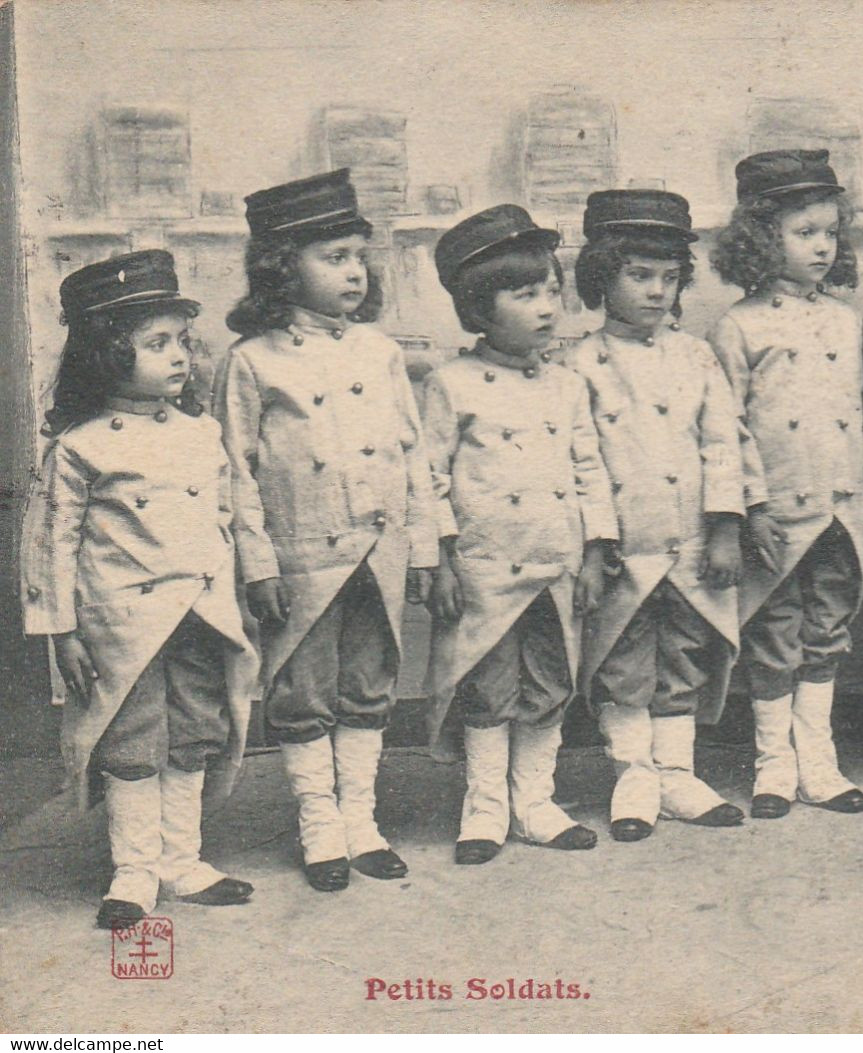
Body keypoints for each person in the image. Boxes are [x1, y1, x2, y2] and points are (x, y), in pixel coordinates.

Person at [215, 169, 438, 891]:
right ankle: (319, 822)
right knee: (303, 691)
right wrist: (258, 565)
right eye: (332, 257)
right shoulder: (251, 361)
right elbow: (234, 473)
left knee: (369, 683)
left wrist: (425, 545)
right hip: (302, 556)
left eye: (356, 256)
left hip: (378, 547)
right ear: (283, 268)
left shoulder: (378, 351)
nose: (352, 271)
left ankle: (362, 819)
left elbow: (411, 452)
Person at [22, 250, 256, 928]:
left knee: (192, 731)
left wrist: (229, 595)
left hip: (197, 614)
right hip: (122, 623)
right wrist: (59, 631)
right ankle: (133, 870)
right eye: (157, 343)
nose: (179, 356)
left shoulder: (202, 434)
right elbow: (51, 544)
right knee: (131, 739)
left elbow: (223, 519)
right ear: (105, 353)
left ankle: (181, 861)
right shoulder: (81, 446)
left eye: (182, 341)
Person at [422, 205, 616, 864]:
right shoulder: (450, 384)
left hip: (554, 566)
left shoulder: (566, 385)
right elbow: (430, 480)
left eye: (550, 292)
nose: (545, 307)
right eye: (523, 293)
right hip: (487, 569)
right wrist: (440, 560)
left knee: (547, 683)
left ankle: (535, 800)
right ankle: (484, 804)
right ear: (479, 306)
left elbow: (590, 471)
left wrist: (595, 549)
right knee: (488, 687)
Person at [569, 188, 748, 841]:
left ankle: (676, 771)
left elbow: (723, 443)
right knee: (623, 660)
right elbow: (578, 460)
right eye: (638, 276)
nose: (656, 292)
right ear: (600, 277)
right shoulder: (579, 365)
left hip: (692, 543)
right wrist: (595, 543)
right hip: (625, 546)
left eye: (669, 279)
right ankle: (633, 773)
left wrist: (725, 525)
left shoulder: (696, 356)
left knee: (684, 655)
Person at [708, 149, 863, 818]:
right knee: (775, 630)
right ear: (759, 237)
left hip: (839, 505)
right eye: (803, 232)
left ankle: (820, 764)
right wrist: (750, 506)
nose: (820, 246)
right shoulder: (739, 325)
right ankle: (774, 763)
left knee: (827, 629)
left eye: (829, 232)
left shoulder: (845, 320)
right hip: (776, 509)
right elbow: (728, 428)